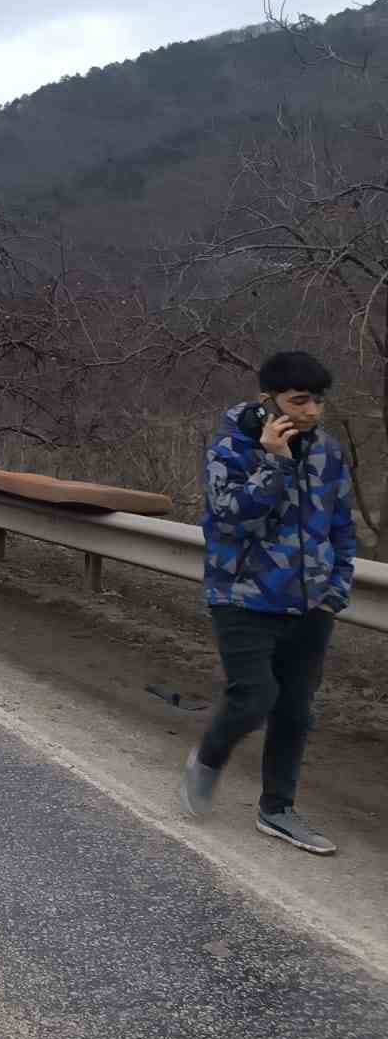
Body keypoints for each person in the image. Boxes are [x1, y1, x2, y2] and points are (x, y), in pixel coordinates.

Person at [181, 351, 357, 855]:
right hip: (241, 598)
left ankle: (277, 810)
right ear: (268, 401)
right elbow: (232, 515)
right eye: (298, 401)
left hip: (309, 605)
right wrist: (275, 463)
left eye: (317, 402)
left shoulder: (327, 453)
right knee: (255, 697)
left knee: (296, 711)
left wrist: (334, 591)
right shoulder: (230, 449)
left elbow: (342, 527)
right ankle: (209, 758)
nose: (309, 412)